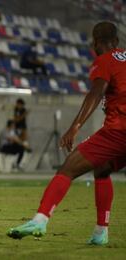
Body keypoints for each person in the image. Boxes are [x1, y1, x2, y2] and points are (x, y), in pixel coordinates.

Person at [7, 21, 125, 245]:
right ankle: (101, 233)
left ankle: (39, 220)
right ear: (117, 41)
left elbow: (96, 93)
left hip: (119, 130)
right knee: (102, 169)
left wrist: (76, 125)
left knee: (68, 168)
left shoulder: (105, 60)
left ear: (95, 43)